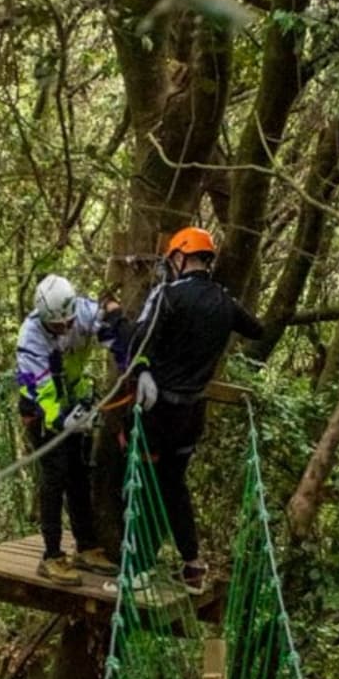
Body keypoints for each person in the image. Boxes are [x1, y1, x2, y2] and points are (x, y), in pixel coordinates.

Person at [127, 227, 263, 594]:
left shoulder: (167, 297)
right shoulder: (224, 301)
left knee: (142, 486)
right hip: (192, 413)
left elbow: (138, 342)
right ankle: (192, 566)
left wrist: (142, 370)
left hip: (159, 410)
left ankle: (137, 571)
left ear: (180, 257)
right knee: (174, 486)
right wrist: (225, 307)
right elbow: (256, 329)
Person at [16, 274, 122, 585]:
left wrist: (127, 350)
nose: (64, 328)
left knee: (79, 474)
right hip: (41, 413)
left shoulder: (83, 312)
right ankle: (51, 555)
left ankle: (86, 546)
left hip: (74, 401)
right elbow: (41, 391)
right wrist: (63, 420)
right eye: (57, 325)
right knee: (55, 476)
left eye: (67, 322)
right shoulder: (30, 338)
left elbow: (109, 334)